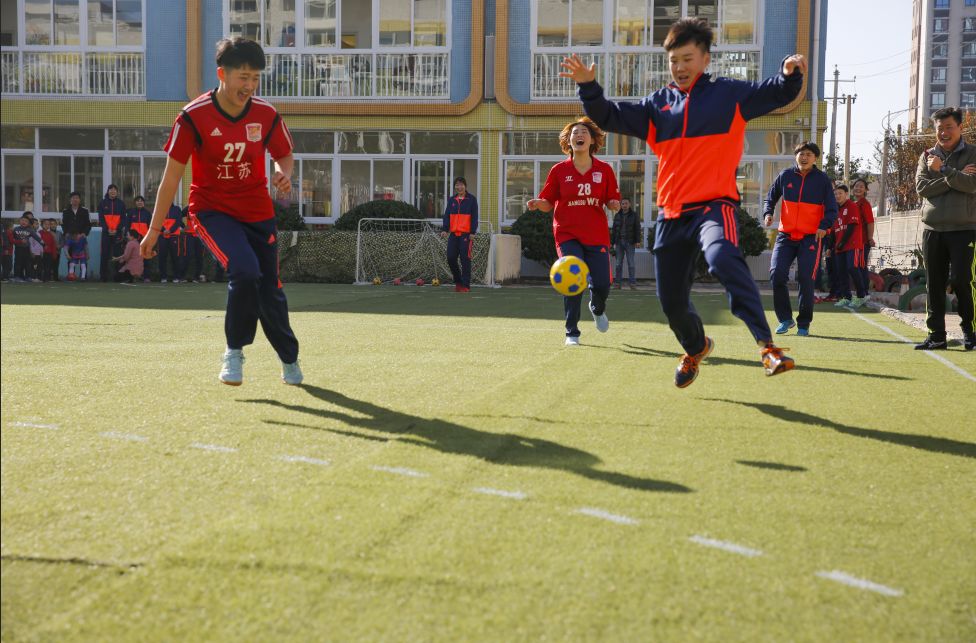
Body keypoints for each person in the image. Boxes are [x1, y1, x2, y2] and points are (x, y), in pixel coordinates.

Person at [563, 18, 804, 386]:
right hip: (672, 214)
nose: (680, 67)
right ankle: (696, 347)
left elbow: (774, 93)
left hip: (714, 206)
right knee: (672, 303)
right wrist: (588, 86)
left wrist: (789, 75)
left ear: (705, 59)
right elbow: (607, 115)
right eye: (674, 60)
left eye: (687, 58)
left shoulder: (729, 95)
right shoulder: (657, 107)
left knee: (724, 257)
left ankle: (768, 347)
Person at [140, 37, 303, 385]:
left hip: (257, 212)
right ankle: (234, 350)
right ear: (222, 74)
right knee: (244, 272)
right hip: (212, 212)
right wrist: (153, 231)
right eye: (243, 77)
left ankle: (289, 359)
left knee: (269, 288)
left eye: (255, 78)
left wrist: (282, 174)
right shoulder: (192, 117)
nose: (249, 86)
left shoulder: (266, 113)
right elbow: (171, 180)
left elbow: (284, 154)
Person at [527, 117, 621, 346]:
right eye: (575, 133)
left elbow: (612, 199)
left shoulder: (604, 170)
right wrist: (540, 204)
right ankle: (572, 332)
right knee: (573, 276)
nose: (579, 135)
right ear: (569, 141)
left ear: (591, 140)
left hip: (596, 234)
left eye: (584, 133)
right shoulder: (559, 170)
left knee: (603, 284)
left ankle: (597, 308)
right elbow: (548, 201)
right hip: (567, 233)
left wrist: (614, 204)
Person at [913, 106, 976, 351]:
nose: (944, 132)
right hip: (933, 228)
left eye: (949, 127)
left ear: (960, 127)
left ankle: (971, 332)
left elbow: (972, 186)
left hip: (965, 229)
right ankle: (936, 335)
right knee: (934, 283)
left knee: (964, 281)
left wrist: (945, 170)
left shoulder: (973, 153)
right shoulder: (927, 155)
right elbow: (921, 188)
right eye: (940, 128)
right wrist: (955, 177)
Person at [763, 142, 837, 336]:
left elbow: (831, 208)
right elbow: (770, 197)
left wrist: (824, 226)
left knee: (806, 279)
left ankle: (803, 323)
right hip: (785, 236)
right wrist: (768, 212)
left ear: (815, 158)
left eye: (809, 154)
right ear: (796, 156)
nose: (804, 157)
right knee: (777, 274)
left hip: (811, 238)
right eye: (801, 154)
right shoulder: (785, 176)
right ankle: (785, 319)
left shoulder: (822, 180)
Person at [831, 185, 868, 309]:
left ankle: (862, 295)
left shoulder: (852, 206)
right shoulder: (835, 210)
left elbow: (852, 226)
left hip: (852, 244)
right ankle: (846, 297)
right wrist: (831, 247)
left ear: (846, 194)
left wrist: (842, 242)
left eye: (840, 193)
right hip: (839, 247)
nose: (837, 196)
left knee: (852, 267)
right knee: (841, 272)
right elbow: (833, 230)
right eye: (835, 194)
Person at [440, 177, 479, 292]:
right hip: (453, 235)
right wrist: (445, 229)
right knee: (450, 258)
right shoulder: (452, 200)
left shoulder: (471, 199)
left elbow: (474, 217)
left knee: (465, 260)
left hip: (466, 235)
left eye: (461, 184)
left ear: (465, 186)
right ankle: (458, 282)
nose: (459, 187)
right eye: (457, 185)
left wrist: (472, 231)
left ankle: (465, 285)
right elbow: (447, 215)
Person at [611, 197, 641, 289]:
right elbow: (614, 229)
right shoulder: (617, 215)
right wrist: (612, 242)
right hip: (619, 242)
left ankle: (632, 283)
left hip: (630, 242)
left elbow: (637, 228)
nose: (624, 205)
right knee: (618, 264)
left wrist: (637, 241)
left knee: (631, 263)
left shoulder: (634, 215)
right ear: (621, 205)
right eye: (623, 204)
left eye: (626, 203)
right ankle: (617, 283)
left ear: (630, 204)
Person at [97, 184, 125, 282]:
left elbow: (123, 219)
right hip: (106, 233)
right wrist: (106, 228)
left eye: (114, 190)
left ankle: (118, 277)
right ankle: (103, 277)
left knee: (118, 255)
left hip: (117, 233)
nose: (113, 191)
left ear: (117, 192)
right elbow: (101, 218)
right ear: (108, 191)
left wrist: (117, 229)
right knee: (104, 254)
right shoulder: (102, 203)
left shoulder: (121, 203)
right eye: (111, 190)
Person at [125, 195, 153, 281]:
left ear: (144, 203)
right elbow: (127, 225)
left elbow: (150, 227)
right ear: (135, 203)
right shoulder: (130, 213)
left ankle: (146, 277)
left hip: (144, 239)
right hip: (133, 240)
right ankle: (131, 277)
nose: (139, 202)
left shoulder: (148, 213)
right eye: (138, 201)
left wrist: (149, 238)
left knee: (145, 259)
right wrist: (128, 235)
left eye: (141, 201)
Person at [158, 202, 185, 283]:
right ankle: (163, 277)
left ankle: (176, 277)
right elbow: (157, 220)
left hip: (174, 236)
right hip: (162, 236)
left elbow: (178, 221)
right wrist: (163, 230)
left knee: (175, 257)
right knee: (162, 257)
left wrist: (170, 230)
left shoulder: (177, 209)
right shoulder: (159, 208)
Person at [851, 178, 875, 270]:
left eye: (861, 187)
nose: (858, 188)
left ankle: (863, 285)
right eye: (856, 186)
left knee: (861, 267)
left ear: (865, 190)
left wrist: (870, 238)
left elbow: (870, 222)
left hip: (863, 242)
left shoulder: (864, 204)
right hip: (854, 243)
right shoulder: (853, 204)